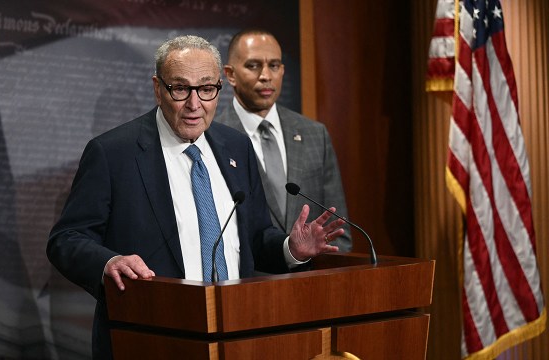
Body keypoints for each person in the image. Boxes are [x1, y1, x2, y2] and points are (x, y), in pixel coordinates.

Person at [47, 35, 344, 360]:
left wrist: (291, 249)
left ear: (219, 87)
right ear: (158, 88)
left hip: (236, 336)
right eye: (180, 89)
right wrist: (109, 262)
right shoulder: (113, 153)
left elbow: (257, 239)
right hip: (150, 339)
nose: (194, 104)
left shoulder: (236, 147)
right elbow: (66, 239)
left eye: (206, 89)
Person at [216, 29, 352, 251]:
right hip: (250, 281)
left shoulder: (315, 134)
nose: (266, 75)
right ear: (230, 75)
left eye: (274, 65)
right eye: (253, 65)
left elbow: (339, 232)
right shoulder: (214, 138)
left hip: (314, 280)